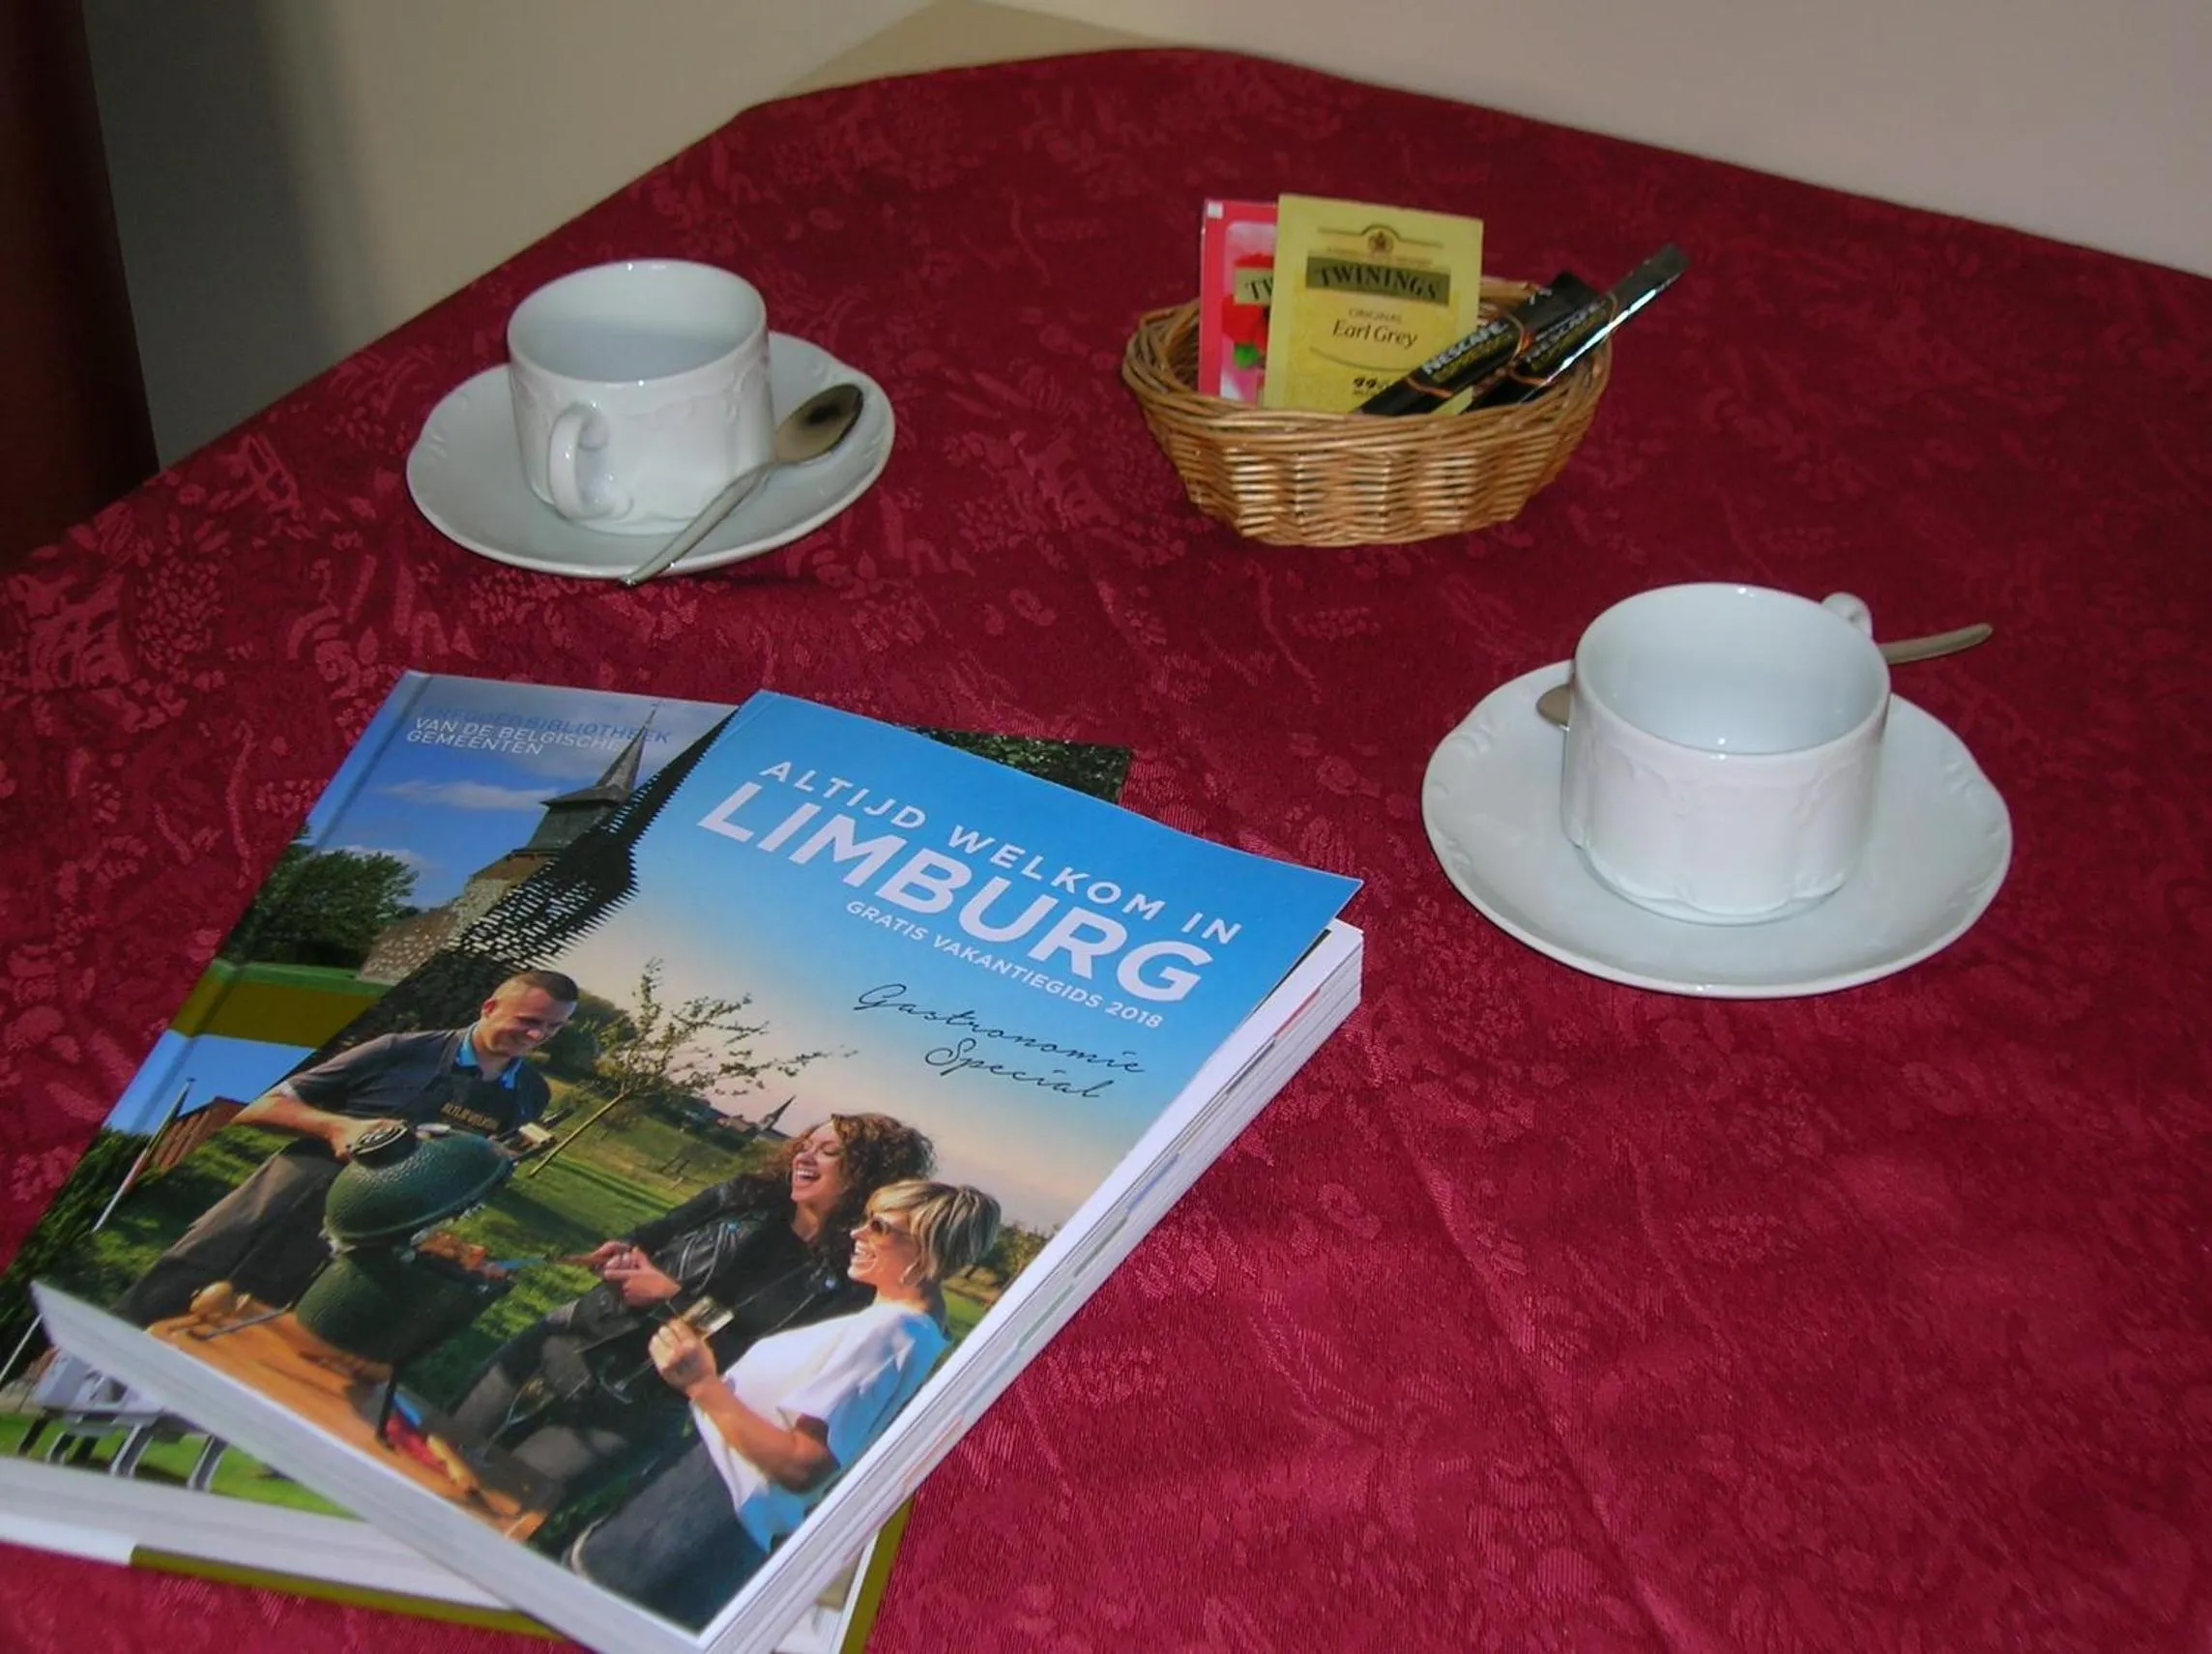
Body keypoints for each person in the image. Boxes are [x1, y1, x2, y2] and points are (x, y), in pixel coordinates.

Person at [568, 1179, 1002, 1630]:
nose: (857, 1233)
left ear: (927, 1249)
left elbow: (803, 1466)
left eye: (879, 1226)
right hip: (693, 1511)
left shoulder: (891, 1334)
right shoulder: (902, 1328)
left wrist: (701, 1384)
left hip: (696, 1518)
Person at [448, 1113, 934, 1503]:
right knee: (437, 1446)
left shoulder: (849, 1283)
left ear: (869, 1179)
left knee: (497, 1503)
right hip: (571, 1339)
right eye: (807, 1143)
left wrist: (669, 1298)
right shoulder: (744, 1194)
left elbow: (764, 1362)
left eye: (830, 1153)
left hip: (638, 1407)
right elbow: (660, 1231)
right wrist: (624, 1249)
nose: (806, 1154)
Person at [112, 970, 578, 1325]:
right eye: (529, 1021)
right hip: (286, 1202)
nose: (537, 1037)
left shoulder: (530, 1094)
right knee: (165, 1299)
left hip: (365, 1246)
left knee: (254, 1336)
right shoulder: (400, 1050)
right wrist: (337, 1128)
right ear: (490, 1005)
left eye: (552, 1029)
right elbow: (258, 1105)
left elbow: (475, 1168)